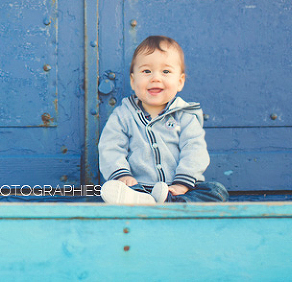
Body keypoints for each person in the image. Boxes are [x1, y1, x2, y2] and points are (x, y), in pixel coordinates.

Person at [98, 35, 228, 204]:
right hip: (139, 186)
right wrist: (122, 174)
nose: (155, 78)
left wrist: (182, 184)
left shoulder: (185, 116)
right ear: (132, 80)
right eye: (146, 71)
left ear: (180, 82)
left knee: (216, 191)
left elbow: (194, 150)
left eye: (166, 72)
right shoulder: (123, 115)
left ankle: (170, 201)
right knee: (113, 189)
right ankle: (140, 199)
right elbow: (110, 147)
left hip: (177, 188)